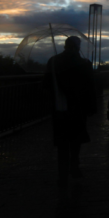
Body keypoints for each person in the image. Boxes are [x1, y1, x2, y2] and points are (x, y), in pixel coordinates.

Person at [43, 36, 97, 188]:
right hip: (78, 107)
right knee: (76, 138)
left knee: (62, 140)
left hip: (60, 107)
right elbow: (90, 87)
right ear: (77, 46)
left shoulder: (53, 61)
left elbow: (46, 84)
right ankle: (74, 166)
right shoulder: (84, 63)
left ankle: (62, 173)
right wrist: (92, 107)